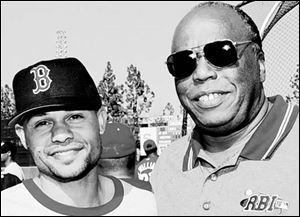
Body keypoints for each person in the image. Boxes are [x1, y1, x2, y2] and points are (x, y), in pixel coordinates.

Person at [150, 2, 299, 215]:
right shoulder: (168, 166)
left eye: (221, 53)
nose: (201, 73)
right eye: (183, 63)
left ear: (260, 64)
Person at [1, 57, 157, 216]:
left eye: (74, 117)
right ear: (22, 136)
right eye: (43, 123)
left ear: (101, 121)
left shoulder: (145, 204)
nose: (61, 135)